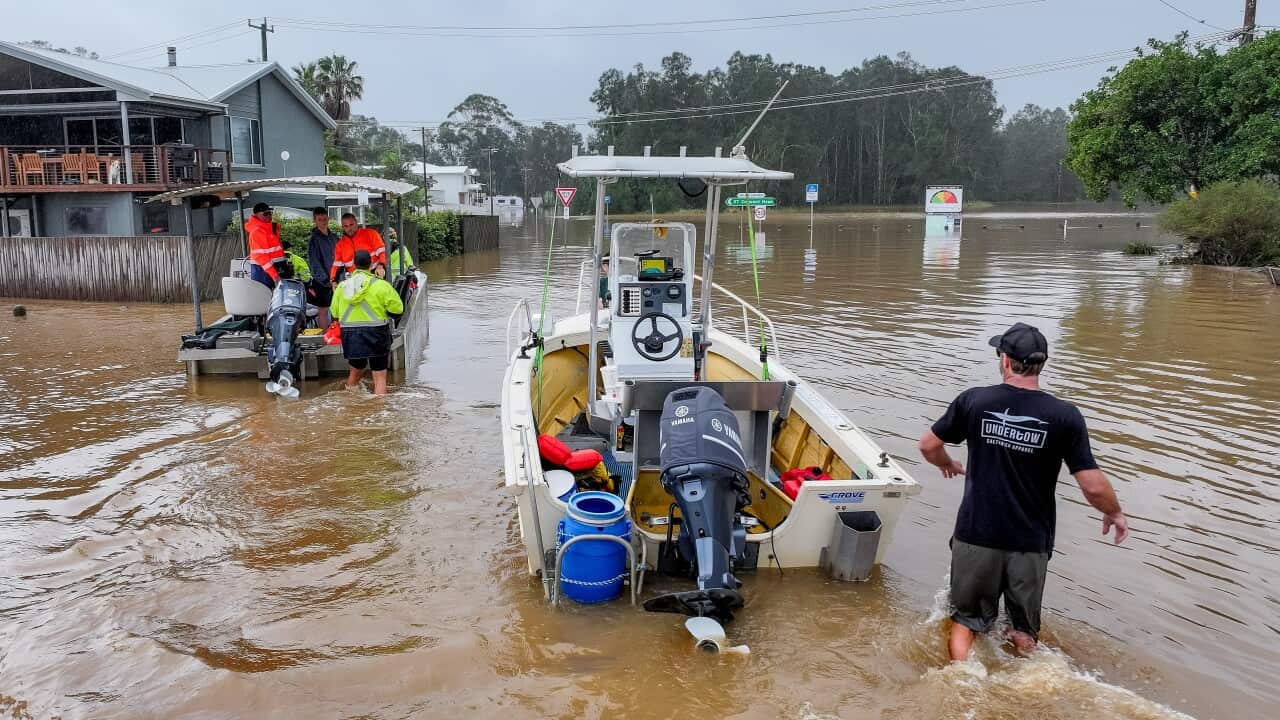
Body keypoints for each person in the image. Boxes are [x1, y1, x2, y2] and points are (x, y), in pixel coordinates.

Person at [918, 322, 1128, 662]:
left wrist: (949, 463)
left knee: (965, 621)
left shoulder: (975, 400)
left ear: (1004, 360)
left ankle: (961, 680)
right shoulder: (1064, 416)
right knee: (1023, 632)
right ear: (1041, 364)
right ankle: (1025, 681)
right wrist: (1114, 512)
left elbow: (928, 446)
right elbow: (1091, 483)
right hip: (1030, 543)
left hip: (977, 535)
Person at [331, 249, 403, 395]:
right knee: (379, 376)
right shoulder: (381, 285)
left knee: (355, 371)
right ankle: (380, 413)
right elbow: (397, 309)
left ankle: (351, 404)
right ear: (371, 265)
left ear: (353, 265)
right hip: (376, 333)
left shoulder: (342, 287)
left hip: (351, 335)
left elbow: (334, 313)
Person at [331, 213, 387, 283]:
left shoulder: (371, 234)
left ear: (356, 223)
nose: (349, 228)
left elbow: (383, 252)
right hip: (355, 280)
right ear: (342, 227)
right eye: (346, 226)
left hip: (374, 274)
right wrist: (333, 280)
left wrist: (381, 266)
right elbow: (337, 266)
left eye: (351, 225)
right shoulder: (340, 245)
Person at [307, 207, 339, 325]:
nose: (323, 222)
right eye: (320, 219)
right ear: (315, 220)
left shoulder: (334, 237)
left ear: (328, 219)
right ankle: (325, 338)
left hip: (336, 279)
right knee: (324, 310)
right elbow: (314, 263)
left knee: (338, 309)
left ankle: (336, 335)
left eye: (325, 219)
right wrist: (326, 280)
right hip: (323, 282)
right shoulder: (314, 240)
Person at [245, 202, 284, 291]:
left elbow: (271, 249)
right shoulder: (257, 231)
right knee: (264, 299)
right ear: (257, 215)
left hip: (275, 269)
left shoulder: (270, 228)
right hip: (263, 272)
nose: (269, 216)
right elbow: (261, 257)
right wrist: (275, 276)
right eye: (265, 214)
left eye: (270, 213)